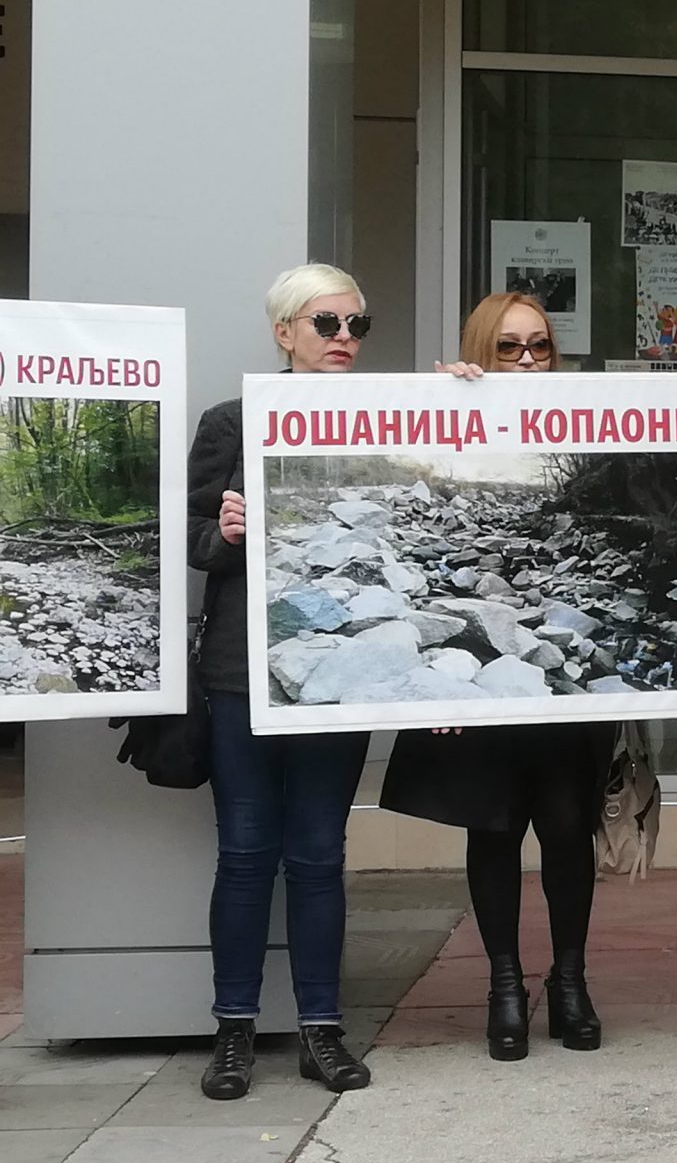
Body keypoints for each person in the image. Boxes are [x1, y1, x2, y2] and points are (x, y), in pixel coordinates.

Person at [377, 293, 611, 1062]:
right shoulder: (449, 408)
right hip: (487, 662)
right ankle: (505, 984)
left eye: (539, 346)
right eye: (508, 347)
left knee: (569, 827)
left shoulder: (580, 418)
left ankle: (569, 981)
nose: (526, 361)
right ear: (482, 346)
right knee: (495, 826)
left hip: (559, 665)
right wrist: (443, 396)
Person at [191, 264, 379, 1101]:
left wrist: (472, 395)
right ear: (284, 333)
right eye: (327, 324)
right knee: (244, 855)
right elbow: (189, 538)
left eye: (356, 326)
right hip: (244, 672)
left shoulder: (383, 417)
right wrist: (224, 533)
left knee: (317, 857)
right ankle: (233, 1032)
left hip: (341, 667)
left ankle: (320, 1031)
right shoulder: (232, 421)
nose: (344, 339)